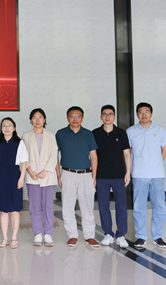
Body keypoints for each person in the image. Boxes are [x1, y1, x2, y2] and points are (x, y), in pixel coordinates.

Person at [127, 102, 166, 249]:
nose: (144, 114)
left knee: (159, 206)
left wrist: (156, 164)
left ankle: (157, 236)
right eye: (141, 112)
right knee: (139, 207)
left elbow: (165, 149)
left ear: (151, 114)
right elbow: (128, 152)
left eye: (147, 111)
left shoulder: (160, 130)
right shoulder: (131, 131)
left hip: (157, 175)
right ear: (137, 114)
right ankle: (141, 236)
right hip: (139, 174)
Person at [55, 106, 99, 248]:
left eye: (78, 116)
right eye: (72, 116)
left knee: (87, 206)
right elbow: (55, 155)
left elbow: (93, 156)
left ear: (82, 118)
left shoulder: (88, 134)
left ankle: (90, 236)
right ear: (67, 118)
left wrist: (94, 176)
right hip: (67, 173)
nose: (75, 119)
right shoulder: (61, 134)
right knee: (67, 206)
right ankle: (72, 235)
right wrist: (58, 175)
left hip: (86, 174)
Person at [92, 104, 131, 248]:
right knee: (103, 206)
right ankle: (108, 233)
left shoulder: (121, 133)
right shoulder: (95, 133)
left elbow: (127, 153)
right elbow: (93, 155)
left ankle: (121, 234)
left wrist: (128, 172)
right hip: (101, 176)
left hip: (118, 175)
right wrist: (93, 176)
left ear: (114, 117)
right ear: (101, 117)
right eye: (104, 114)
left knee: (121, 205)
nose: (107, 116)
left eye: (110, 114)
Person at [22, 108, 58, 247]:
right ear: (31, 120)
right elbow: (23, 156)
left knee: (48, 206)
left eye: (40, 117)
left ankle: (48, 234)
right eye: (34, 117)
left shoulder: (51, 135)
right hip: (32, 175)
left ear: (45, 119)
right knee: (34, 206)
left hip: (47, 176)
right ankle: (37, 233)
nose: (37, 120)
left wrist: (45, 170)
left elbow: (54, 154)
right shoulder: (26, 136)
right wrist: (30, 171)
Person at [0, 117, 28, 249]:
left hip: (14, 175)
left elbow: (24, 161)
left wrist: (22, 178)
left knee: (14, 209)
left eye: (9, 125)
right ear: (1, 128)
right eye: (4, 125)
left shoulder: (19, 143)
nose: (6, 128)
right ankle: (5, 238)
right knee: (4, 210)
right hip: (1, 175)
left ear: (14, 128)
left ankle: (14, 238)